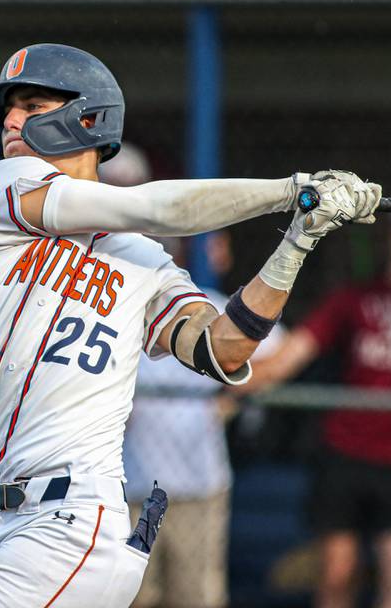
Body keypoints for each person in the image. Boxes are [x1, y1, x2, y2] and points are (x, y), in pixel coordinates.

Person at [0, 43, 382, 608]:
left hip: (69, 522)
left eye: (31, 105)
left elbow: (224, 349)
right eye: (8, 109)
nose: (9, 120)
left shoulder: (145, 263)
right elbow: (152, 208)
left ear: (88, 118)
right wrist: (289, 192)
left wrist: (298, 239)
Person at [241, 184, 391, 608]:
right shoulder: (355, 297)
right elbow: (290, 357)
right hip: (345, 453)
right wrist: (224, 382)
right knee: (337, 575)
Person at [102, 143, 284, 608]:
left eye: (131, 192)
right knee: (129, 598)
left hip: (197, 483)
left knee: (195, 598)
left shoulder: (194, 295)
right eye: (113, 191)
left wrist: (232, 393)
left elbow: (280, 350)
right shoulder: (97, 297)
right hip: (122, 487)